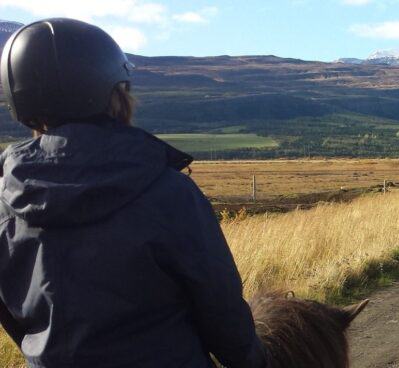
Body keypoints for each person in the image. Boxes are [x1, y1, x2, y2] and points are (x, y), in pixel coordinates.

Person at [0, 19, 265, 367]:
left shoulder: (4, 204)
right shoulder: (169, 193)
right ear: (115, 93)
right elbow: (222, 310)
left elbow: (13, 318)